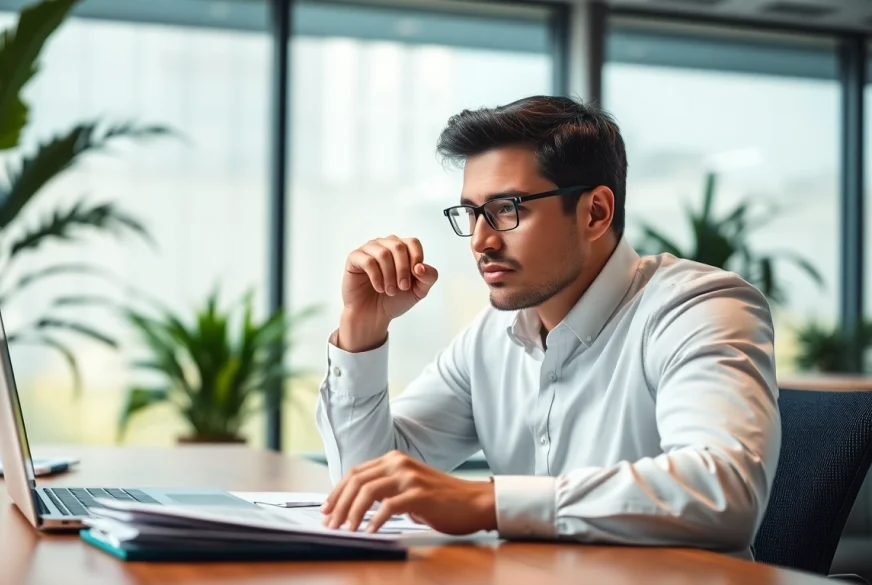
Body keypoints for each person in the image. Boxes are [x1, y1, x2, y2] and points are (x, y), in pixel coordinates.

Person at [314, 95, 781, 556]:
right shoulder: (491, 338)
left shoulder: (697, 308)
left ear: (595, 212)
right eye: (472, 213)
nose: (481, 241)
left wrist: (487, 503)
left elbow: (725, 493)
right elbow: (366, 486)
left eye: (507, 208)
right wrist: (363, 327)